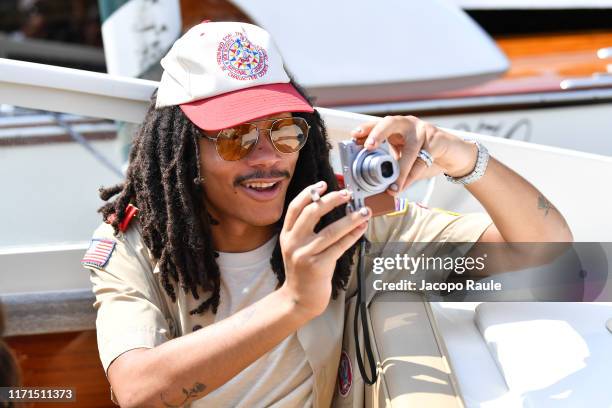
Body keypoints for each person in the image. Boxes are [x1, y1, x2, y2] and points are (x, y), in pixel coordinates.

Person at [82, 21, 572, 407]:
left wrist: (457, 155)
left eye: (285, 131)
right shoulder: (134, 246)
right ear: (186, 151)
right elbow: (138, 390)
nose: (267, 157)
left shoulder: (346, 222)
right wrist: (295, 300)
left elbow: (541, 250)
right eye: (236, 138)